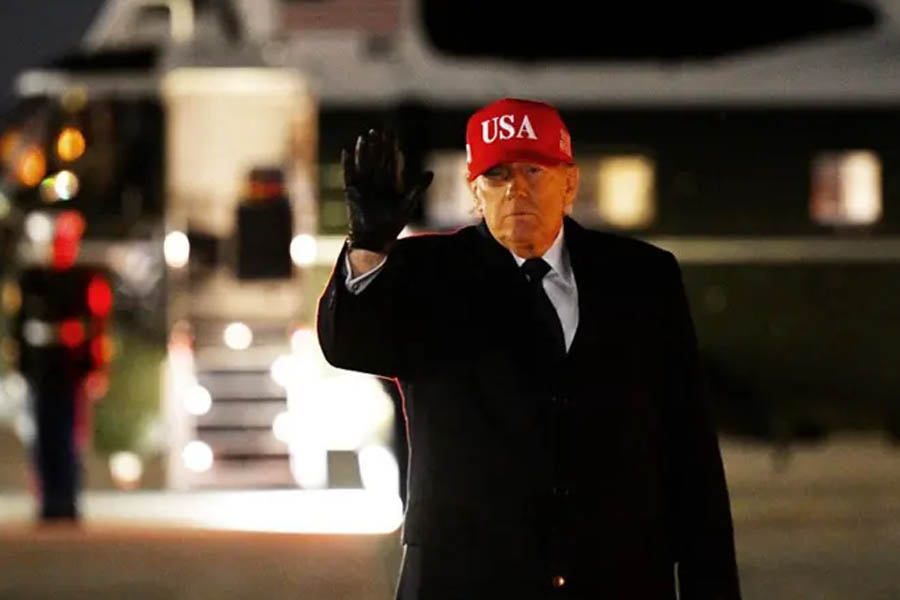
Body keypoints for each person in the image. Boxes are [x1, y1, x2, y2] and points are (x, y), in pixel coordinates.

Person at [317, 98, 741, 599]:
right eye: (497, 176)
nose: (517, 190)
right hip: (468, 577)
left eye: (534, 170)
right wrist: (367, 246)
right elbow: (350, 345)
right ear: (476, 191)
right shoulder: (428, 273)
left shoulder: (642, 277)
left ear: (570, 183)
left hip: (616, 573)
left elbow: (688, 443)